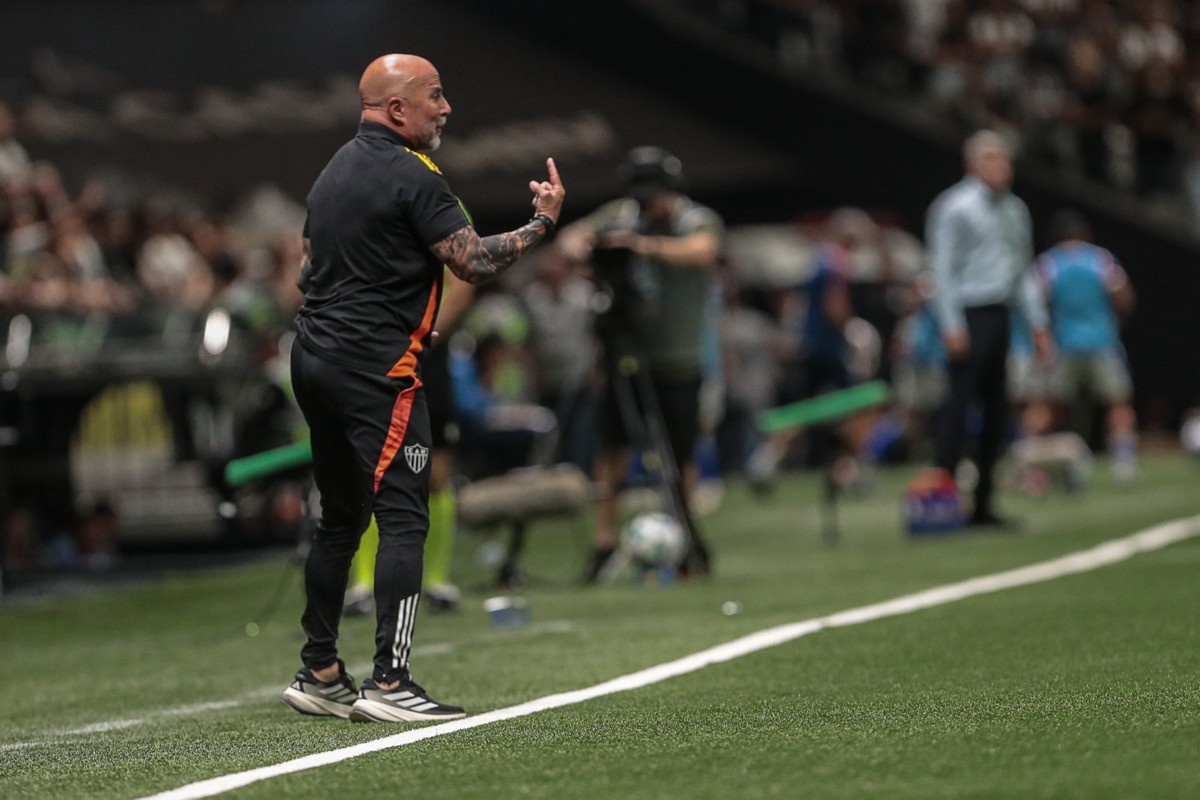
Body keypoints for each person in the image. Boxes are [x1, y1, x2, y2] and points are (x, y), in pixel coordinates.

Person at [281, 53, 564, 723]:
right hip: (375, 369)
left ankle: (320, 670)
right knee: (405, 514)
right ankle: (390, 682)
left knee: (339, 518)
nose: (446, 108)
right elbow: (474, 262)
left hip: (314, 359)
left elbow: (306, 270)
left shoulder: (333, 172)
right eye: (435, 96)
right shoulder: (414, 174)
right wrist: (542, 224)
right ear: (397, 108)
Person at [556, 146, 723, 581]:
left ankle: (681, 534)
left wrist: (640, 246)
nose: (650, 205)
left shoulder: (694, 220)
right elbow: (570, 239)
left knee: (679, 454)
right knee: (612, 445)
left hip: (678, 358)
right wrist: (590, 248)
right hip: (626, 351)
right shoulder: (622, 213)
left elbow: (703, 250)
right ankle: (604, 541)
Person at [926, 129, 1051, 528]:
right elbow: (942, 270)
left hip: (1001, 315)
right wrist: (951, 324)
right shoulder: (955, 208)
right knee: (958, 409)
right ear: (972, 165)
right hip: (969, 313)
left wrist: (1038, 323)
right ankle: (942, 505)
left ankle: (983, 505)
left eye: (1004, 159)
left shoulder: (1015, 210)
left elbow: (1023, 269)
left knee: (996, 413)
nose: (1001, 166)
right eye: (991, 158)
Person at [1034, 208, 1138, 483]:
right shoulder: (1100, 259)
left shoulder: (1048, 263)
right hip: (1102, 342)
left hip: (1063, 345)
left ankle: (1042, 465)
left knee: (1053, 408)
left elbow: (1036, 301)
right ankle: (1123, 464)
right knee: (1117, 403)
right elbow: (1124, 297)